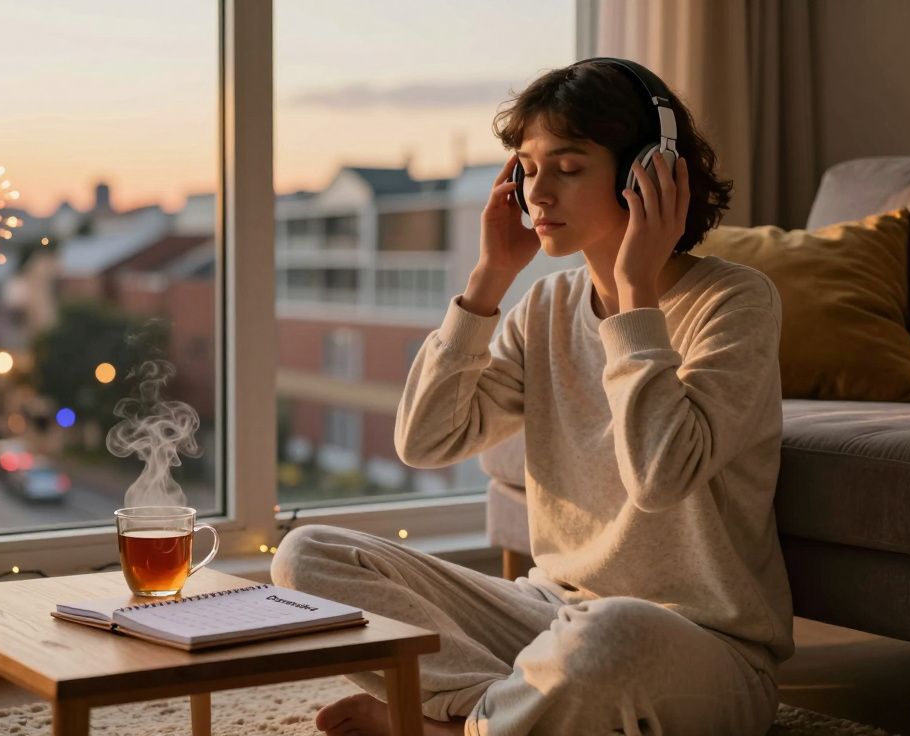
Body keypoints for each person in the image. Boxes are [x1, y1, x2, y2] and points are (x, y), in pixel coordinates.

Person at [271, 57, 792, 736]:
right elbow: (426, 440)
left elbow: (661, 478)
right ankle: (494, 714)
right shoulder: (545, 304)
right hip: (549, 614)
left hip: (692, 645)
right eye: (526, 168)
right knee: (306, 556)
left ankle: (461, 720)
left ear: (651, 175)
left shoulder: (735, 302)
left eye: (569, 168)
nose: (536, 194)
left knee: (610, 637)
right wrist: (489, 279)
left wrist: (635, 294)